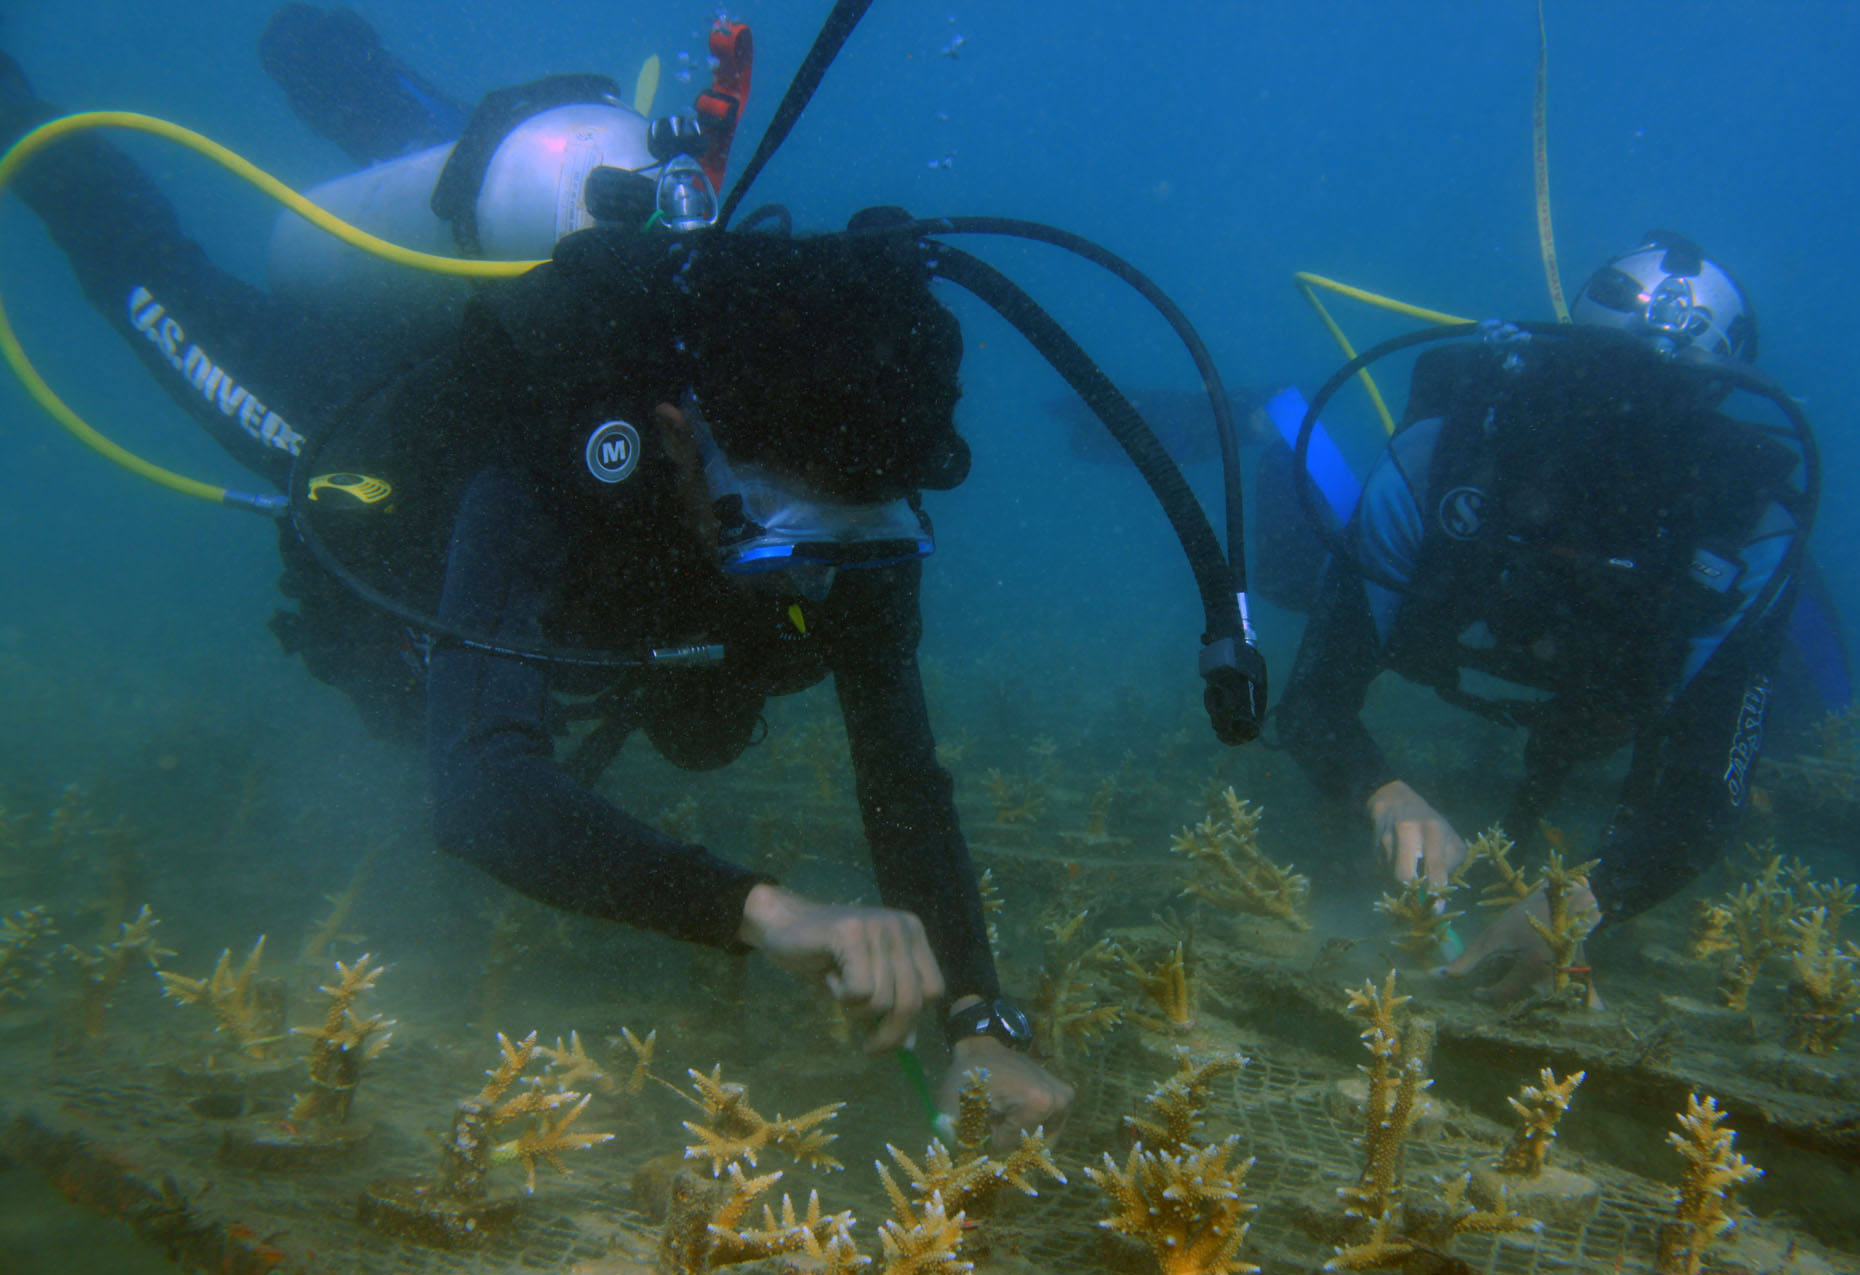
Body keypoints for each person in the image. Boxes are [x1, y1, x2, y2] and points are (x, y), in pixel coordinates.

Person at [1, 7, 1071, 1146]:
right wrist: (769, 912)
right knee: (146, 268)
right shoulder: (551, 447)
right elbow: (483, 793)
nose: (814, 577)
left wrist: (980, 1018)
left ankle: (353, 83)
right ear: (675, 432)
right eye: (780, 528)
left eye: (856, 537)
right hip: (379, 428)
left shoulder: (855, 477)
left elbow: (902, 779)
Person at [1272, 233, 1814, 1001]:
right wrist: (1382, 790)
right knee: (1291, 556)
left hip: (1617, 686)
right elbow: (1312, 699)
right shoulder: (1438, 458)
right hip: (1441, 601)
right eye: (1591, 405)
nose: (1608, 473)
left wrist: (1589, 900)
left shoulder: (1748, 533)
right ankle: (1272, 422)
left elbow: (1705, 799)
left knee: (1790, 700)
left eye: (1652, 431)